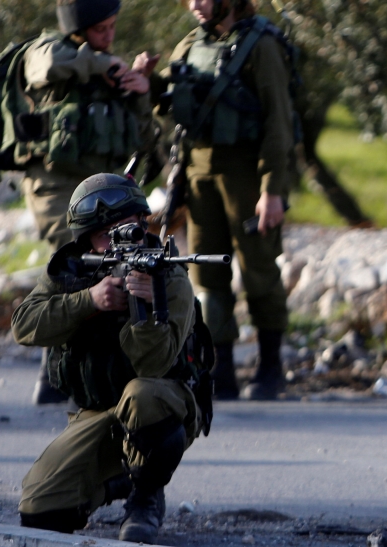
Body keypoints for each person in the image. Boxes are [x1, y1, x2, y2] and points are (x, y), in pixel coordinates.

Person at [11, 173, 199, 544]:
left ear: (144, 223)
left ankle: (146, 495)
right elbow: (24, 325)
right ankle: (118, 478)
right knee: (41, 511)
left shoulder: (170, 278)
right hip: (97, 412)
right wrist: (90, 301)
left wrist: (142, 307)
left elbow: (155, 367)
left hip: (161, 405)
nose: (120, 239)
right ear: (87, 241)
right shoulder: (74, 269)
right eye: (106, 233)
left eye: (127, 228)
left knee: (142, 394)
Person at [136, 0, 293, 400]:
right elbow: (170, 100)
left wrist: (272, 189)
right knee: (206, 270)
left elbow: (279, 122)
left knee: (259, 267)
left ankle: (271, 368)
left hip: (246, 173)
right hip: (198, 173)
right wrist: (148, 83)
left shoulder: (262, 46)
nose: (194, 5)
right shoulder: (190, 44)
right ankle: (220, 368)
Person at [22, 0, 157, 404]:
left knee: (117, 262)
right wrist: (102, 63)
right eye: (100, 29)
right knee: (73, 260)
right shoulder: (49, 51)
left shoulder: (112, 71)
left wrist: (139, 91)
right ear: (79, 28)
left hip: (102, 194)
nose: (109, 37)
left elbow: (145, 140)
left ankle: (105, 366)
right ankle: (54, 368)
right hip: (55, 186)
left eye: (114, 27)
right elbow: (45, 68)